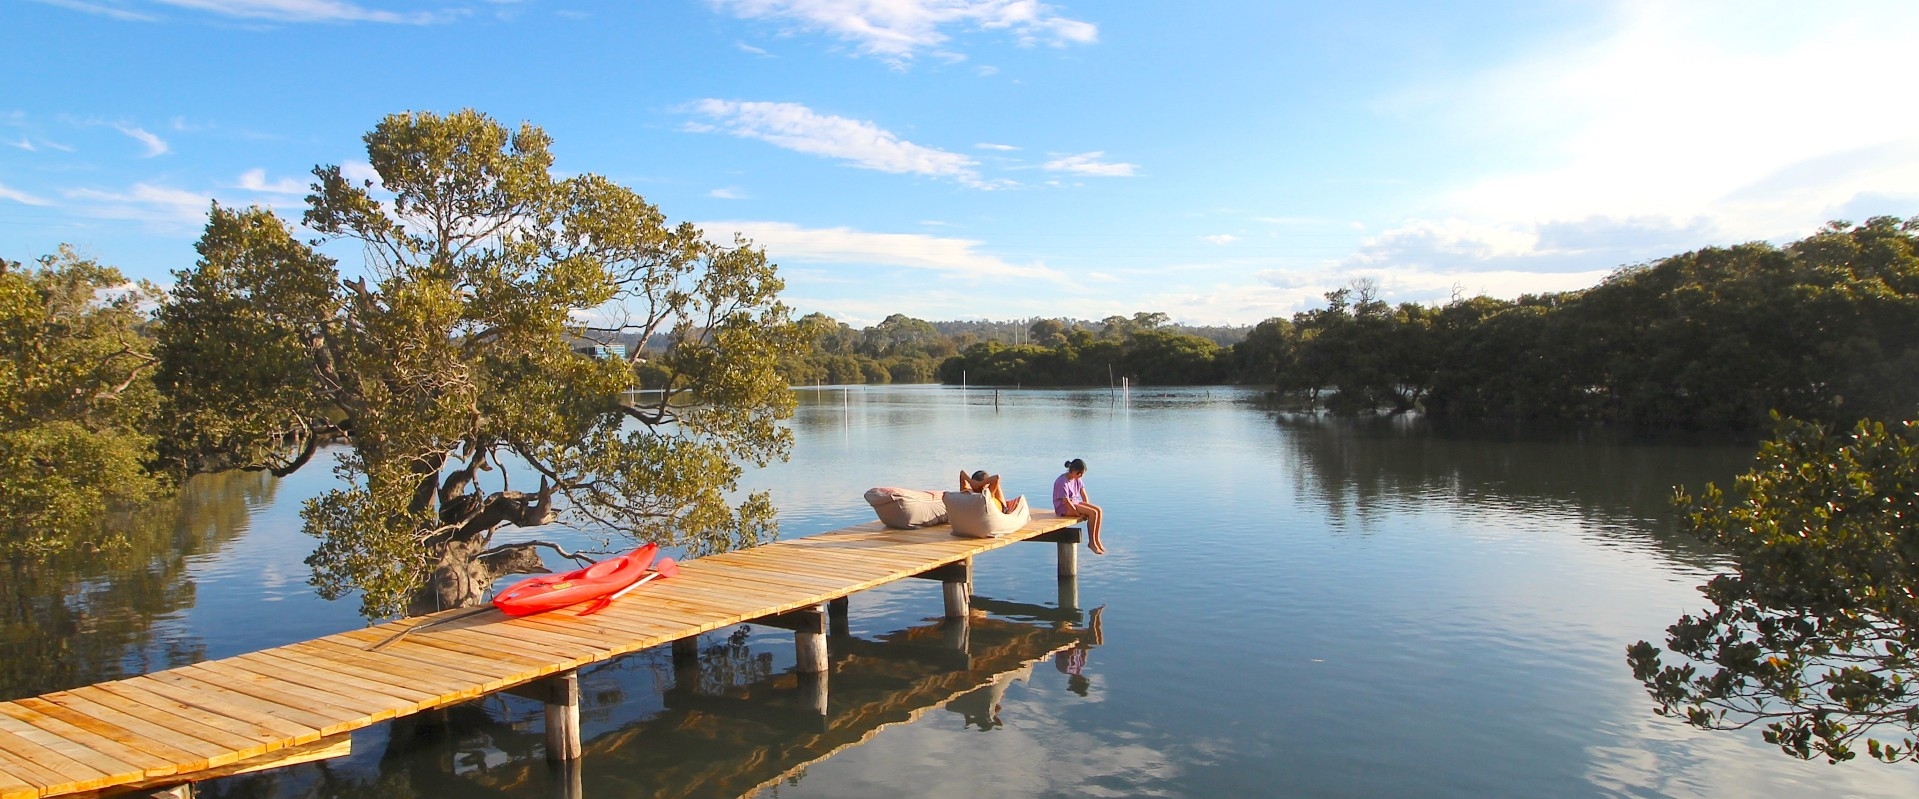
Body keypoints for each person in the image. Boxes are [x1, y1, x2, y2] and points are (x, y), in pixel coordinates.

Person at [1052, 458, 1104, 554]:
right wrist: (1077, 514)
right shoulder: (1061, 481)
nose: (1081, 476)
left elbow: (1083, 494)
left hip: (1074, 502)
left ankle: (1096, 540)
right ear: (1073, 471)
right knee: (1092, 513)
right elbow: (1066, 501)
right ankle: (1091, 542)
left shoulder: (1077, 479)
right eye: (1079, 473)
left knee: (1098, 510)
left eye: (1082, 474)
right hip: (1063, 507)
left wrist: (1087, 507)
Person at [959, 469, 1024, 514]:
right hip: (1000, 511)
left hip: (973, 513)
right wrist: (980, 484)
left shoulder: (965, 493)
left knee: (995, 486)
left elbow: (962, 473)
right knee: (997, 486)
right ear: (984, 485)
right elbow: (997, 477)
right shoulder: (986, 495)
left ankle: (1005, 507)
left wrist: (970, 481)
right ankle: (1006, 508)